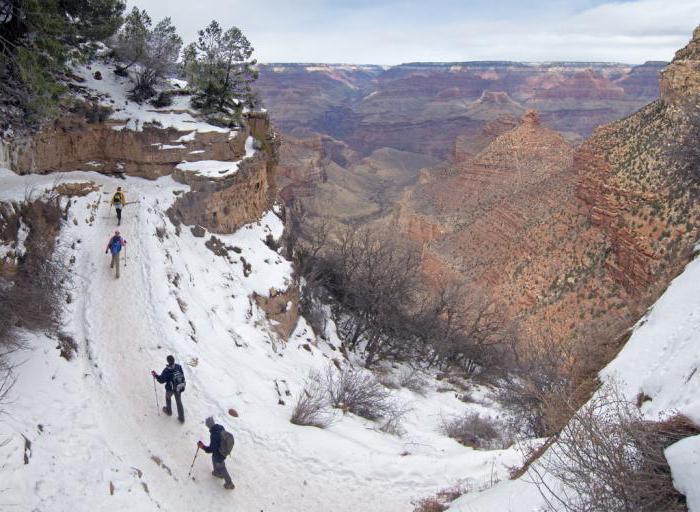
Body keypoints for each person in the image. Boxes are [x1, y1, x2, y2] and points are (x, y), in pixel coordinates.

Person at [198, 416, 235, 490]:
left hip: (220, 454)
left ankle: (229, 483)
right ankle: (217, 472)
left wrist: (202, 446)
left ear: (208, 426)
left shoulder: (214, 435)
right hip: (223, 450)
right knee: (214, 458)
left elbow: (211, 449)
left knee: (221, 467)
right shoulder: (220, 427)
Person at [151, 355, 185, 423]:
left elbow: (161, 380)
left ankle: (169, 411)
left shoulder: (167, 370)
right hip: (178, 387)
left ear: (168, 361)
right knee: (179, 402)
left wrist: (155, 375)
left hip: (170, 389)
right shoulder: (178, 366)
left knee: (168, 398)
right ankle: (181, 418)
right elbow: (182, 375)